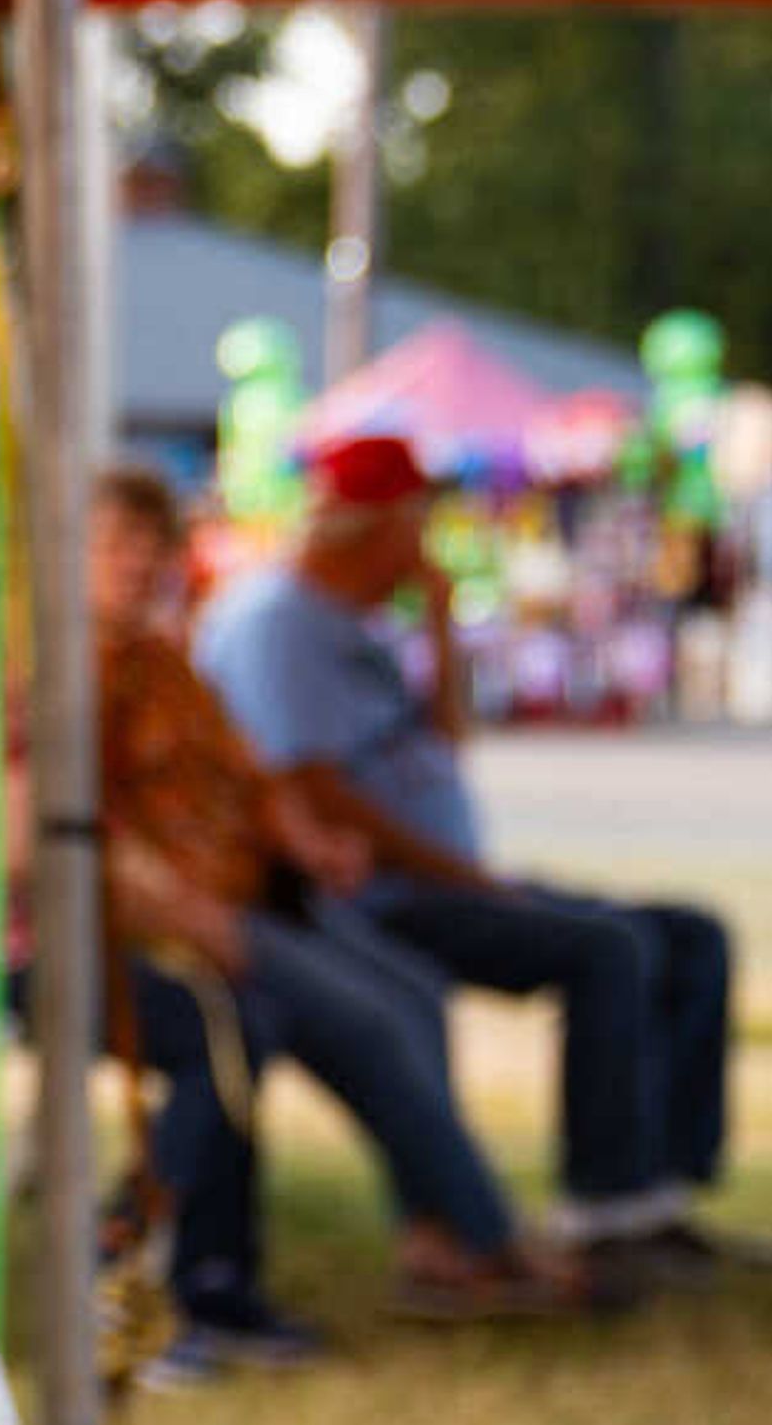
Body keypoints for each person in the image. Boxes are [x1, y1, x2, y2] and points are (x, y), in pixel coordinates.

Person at [200, 434, 745, 1289]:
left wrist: (442, 618)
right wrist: (467, 879)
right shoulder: (277, 623)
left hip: (444, 874)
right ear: (383, 524)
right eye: (418, 524)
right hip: (374, 895)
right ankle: (590, 1210)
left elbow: (445, 743)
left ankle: (656, 1197)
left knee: (688, 933)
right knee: (609, 949)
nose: (426, 545)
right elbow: (311, 791)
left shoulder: (360, 622)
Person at [85, 465, 582, 1363]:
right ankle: (479, 1239)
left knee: (410, 993)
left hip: (253, 894)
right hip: (175, 918)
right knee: (335, 1023)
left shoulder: (161, 655)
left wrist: (302, 841)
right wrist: (198, 914)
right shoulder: (69, 670)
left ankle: (439, 1235)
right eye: (119, 544)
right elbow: (81, 835)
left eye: (155, 545)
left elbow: (255, 776)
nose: (141, 563)